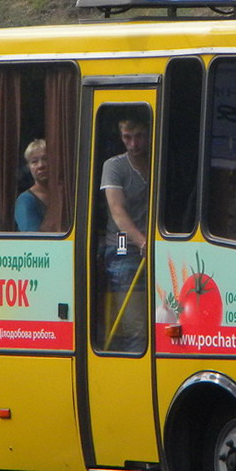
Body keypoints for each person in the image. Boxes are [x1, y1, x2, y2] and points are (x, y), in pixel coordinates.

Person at [100, 116, 150, 350]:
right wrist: (144, 244)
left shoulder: (158, 160)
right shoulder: (114, 165)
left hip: (158, 249)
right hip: (124, 250)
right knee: (137, 330)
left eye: (138, 136)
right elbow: (117, 211)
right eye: (127, 138)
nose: (133, 144)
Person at [15, 139, 49, 231]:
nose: (40, 165)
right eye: (34, 161)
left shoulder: (64, 195)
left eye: (45, 159)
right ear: (28, 167)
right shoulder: (26, 200)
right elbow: (33, 240)